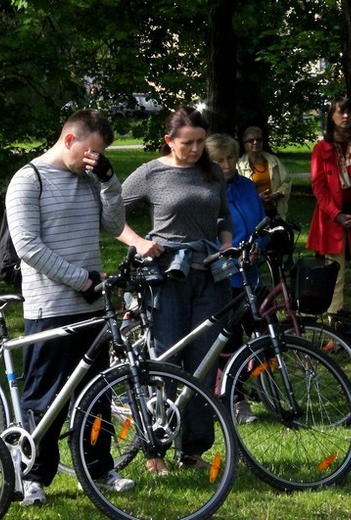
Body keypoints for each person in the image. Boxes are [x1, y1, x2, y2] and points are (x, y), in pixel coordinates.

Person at [6, 109, 133, 506]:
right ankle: (33, 476)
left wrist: (111, 181)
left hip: (92, 306)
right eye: (90, 152)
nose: (93, 160)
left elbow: (114, 226)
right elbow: (27, 246)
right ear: (69, 140)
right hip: (51, 306)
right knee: (46, 398)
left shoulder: (90, 178)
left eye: (100, 156)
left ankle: (97, 469)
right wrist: (81, 279)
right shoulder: (30, 179)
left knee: (98, 392)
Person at [116, 106, 234, 475]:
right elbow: (111, 213)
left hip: (208, 276)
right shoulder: (152, 173)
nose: (196, 148)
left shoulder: (211, 171)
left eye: (200, 141)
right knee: (165, 360)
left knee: (203, 362)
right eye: (188, 143)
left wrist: (227, 243)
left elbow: (223, 215)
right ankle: (156, 450)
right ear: (170, 141)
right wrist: (138, 242)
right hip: (165, 278)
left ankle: (193, 450)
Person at [306, 96, 351, 354]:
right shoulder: (320, 149)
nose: (345, 117)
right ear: (331, 117)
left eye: (348, 112)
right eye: (340, 113)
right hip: (331, 220)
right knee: (334, 279)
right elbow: (319, 186)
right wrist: (336, 214)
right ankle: (335, 334)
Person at [206, 133, 266, 424]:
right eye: (219, 160)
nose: (227, 164)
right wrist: (227, 254)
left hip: (252, 275)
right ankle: (232, 398)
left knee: (262, 337)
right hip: (225, 278)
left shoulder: (247, 186)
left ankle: (245, 390)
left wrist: (258, 248)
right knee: (231, 342)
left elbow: (259, 223)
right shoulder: (208, 189)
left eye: (230, 157)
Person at [236, 126, 292, 220]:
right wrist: (257, 199)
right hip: (252, 214)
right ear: (245, 144)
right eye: (251, 140)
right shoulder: (239, 166)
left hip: (275, 211)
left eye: (259, 139)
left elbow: (287, 181)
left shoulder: (273, 161)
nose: (255, 142)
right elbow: (238, 193)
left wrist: (277, 194)